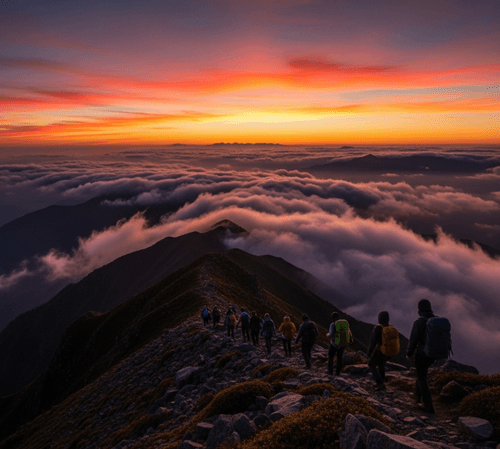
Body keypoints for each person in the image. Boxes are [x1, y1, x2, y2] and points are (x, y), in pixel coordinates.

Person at [406, 299, 437, 413]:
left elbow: (413, 340)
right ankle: (416, 396)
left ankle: (428, 405)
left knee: (422, 378)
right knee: (421, 373)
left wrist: (409, 353)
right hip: (433, 354)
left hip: (422, 354)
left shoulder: (419, 322)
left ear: (419, 310)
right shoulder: (436, 320)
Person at [367, 311, 400, 390]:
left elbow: (373, 342)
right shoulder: (391, 327)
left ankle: (380, 383)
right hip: (388, 351)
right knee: (381, 365)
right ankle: (382, 381)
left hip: (380, 350)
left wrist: (369, 353)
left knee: (371, 364)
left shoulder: (378, 328)